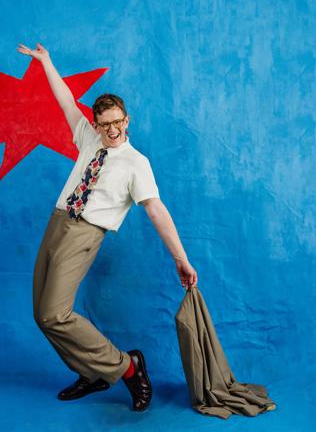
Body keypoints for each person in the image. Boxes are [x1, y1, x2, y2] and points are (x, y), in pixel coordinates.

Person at [17, 43, 198, 412]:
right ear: (96, 124)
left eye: (118, 122)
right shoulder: (88, 138)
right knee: (41, 315)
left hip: (85, 232)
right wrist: (47, 62)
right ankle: (92, 371)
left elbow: (157, 211)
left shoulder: (136, 163)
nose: (112, 130)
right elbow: (66, 102)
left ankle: (127, 367)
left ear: (126, 120)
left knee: (56, 313)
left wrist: (181, 259)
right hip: (57, 222)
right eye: (105, 124)